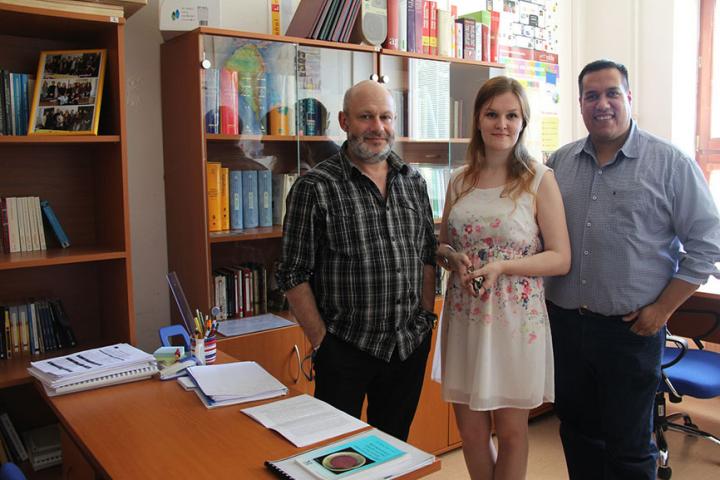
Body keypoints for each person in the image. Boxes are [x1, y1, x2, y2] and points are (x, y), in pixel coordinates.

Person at [545, 59, 720, 480]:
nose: (601, 103)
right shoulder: (558, 163)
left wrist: (663, 310)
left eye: (611, 93)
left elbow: (706, 244)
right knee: (578, 433)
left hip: (630, 331)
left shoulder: (670, 163)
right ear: (580, 104)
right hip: (565, 327)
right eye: (591, 96)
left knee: (629, 445)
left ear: (628, 98)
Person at [276, 80, 438, 441]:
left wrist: (426, 319)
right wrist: (322, 343)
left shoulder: (414, 181)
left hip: (407, 347)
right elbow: (292, 272)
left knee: (393, 450)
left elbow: (428, 255)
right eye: (366, 117)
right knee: (335, 455)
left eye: (385, 117)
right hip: (345, 349)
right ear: (344, 121)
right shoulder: (315, 187)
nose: (377, 127)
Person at [435, 76, 570, 479]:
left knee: (511, 433)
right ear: (477, 118)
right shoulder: (459, 179)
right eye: (492, 114)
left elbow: (560, 258)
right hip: (465, 318)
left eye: (512, 115)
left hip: (515, 322)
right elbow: (442, 247)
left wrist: (502, 266)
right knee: (472, 433)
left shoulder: (538, 178)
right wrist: (452, 259)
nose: (502, 124)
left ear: (523, 122)